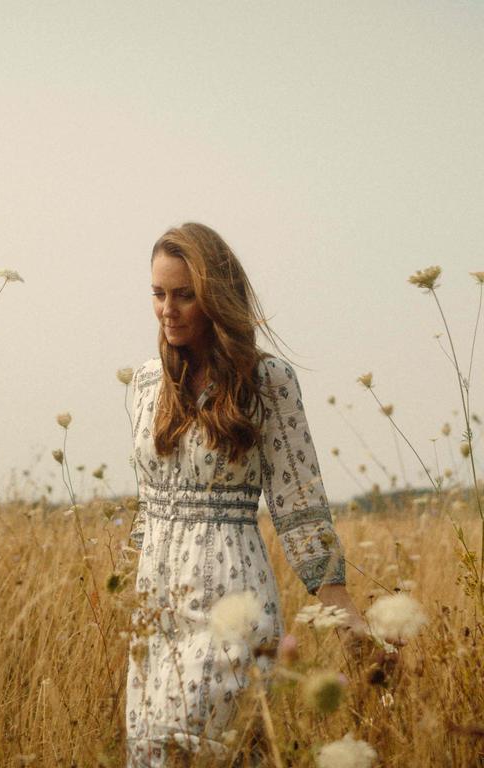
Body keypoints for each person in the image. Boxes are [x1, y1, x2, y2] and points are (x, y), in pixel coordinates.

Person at [124, 222, 369, 767]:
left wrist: (342, 609)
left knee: (215, 748)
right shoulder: (143, 385)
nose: (168, 309)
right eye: (159, 294)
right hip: (156, 605)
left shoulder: (267, 381)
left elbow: (298, 500)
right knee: (153, 751)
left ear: (216, 298)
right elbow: (146, 506)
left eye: (185, 295)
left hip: (232, 598)